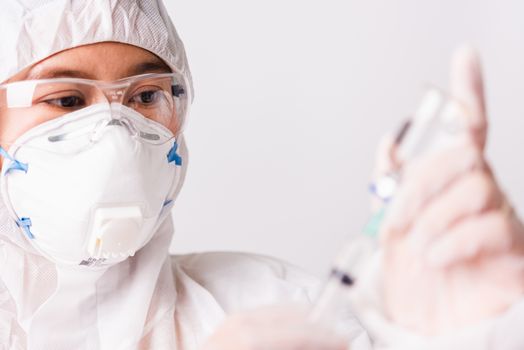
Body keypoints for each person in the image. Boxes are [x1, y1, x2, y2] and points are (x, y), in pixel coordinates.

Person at [0, 1, 523, 350]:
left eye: (146, 97)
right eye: (66, 99)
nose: (116, 136)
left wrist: (455, 335)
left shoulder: (279, 311)